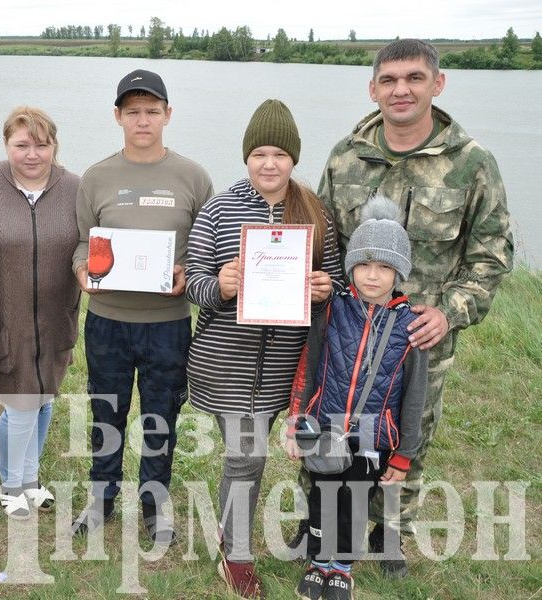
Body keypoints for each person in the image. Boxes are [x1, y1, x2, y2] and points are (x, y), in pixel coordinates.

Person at [310, 38, 514, 577]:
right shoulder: (345, 156)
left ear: (436, 84)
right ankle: (325, 521)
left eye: (414, 78)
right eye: (389, 79)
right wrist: (321, 291)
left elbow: (491, 254)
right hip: (349, 331)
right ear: (373, 87)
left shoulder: (472, 164)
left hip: (420, 337)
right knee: (333, 424)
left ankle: (389, 530)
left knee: (409, 430)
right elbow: (324, 242)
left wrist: (450, 310)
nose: (401, 89)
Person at [185, 99, 343, 597]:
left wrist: (324, 288)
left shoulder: (315, 211)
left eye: (279, 153)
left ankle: (244, 531)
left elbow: (338, 281)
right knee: (247, 457)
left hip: (287, 366)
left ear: (293, 158)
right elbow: (194, 282)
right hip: (225, 360)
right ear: (246, 157)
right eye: (259, 153)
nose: (268, 163)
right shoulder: (219, 208)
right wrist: (222, 286)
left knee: (261, 454)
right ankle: (235, 554)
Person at [70, 69, 214, 543]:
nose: (143, 120)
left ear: (167, 115)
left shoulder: (192, 177)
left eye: (152, 111)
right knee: (106, 411)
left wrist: (186, 272)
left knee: (160, 417)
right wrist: (80, 271)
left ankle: (155, 504)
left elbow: (206, 250)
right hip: (108, 321)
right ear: (118, 116)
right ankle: (102, 498)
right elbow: (80, 244)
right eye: (132, 111)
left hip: (167, 324)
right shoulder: (96, 177)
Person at [285, 196, 428, 600]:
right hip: (324, 426)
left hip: (372, 436)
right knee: (321, 496)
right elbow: (308, 367)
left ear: (399, 272)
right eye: (363, 265)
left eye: (384, 267)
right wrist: (297, 420)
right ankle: (317, 561)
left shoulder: (412, 326)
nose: (372, 276)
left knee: (355, 502)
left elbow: (415, 396)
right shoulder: (331, 309)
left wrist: (403, 455)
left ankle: (342, 568)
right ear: (351, 268)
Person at [0, 106, 81, 519]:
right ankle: (10, 484)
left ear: (54, 146)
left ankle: (30, 480)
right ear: (6, 144)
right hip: (3, 322)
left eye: (42, 145)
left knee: (43, 400)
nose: (32, 154)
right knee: (19, 403)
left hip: (55, 320)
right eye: (22, 144)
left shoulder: (76, 190)